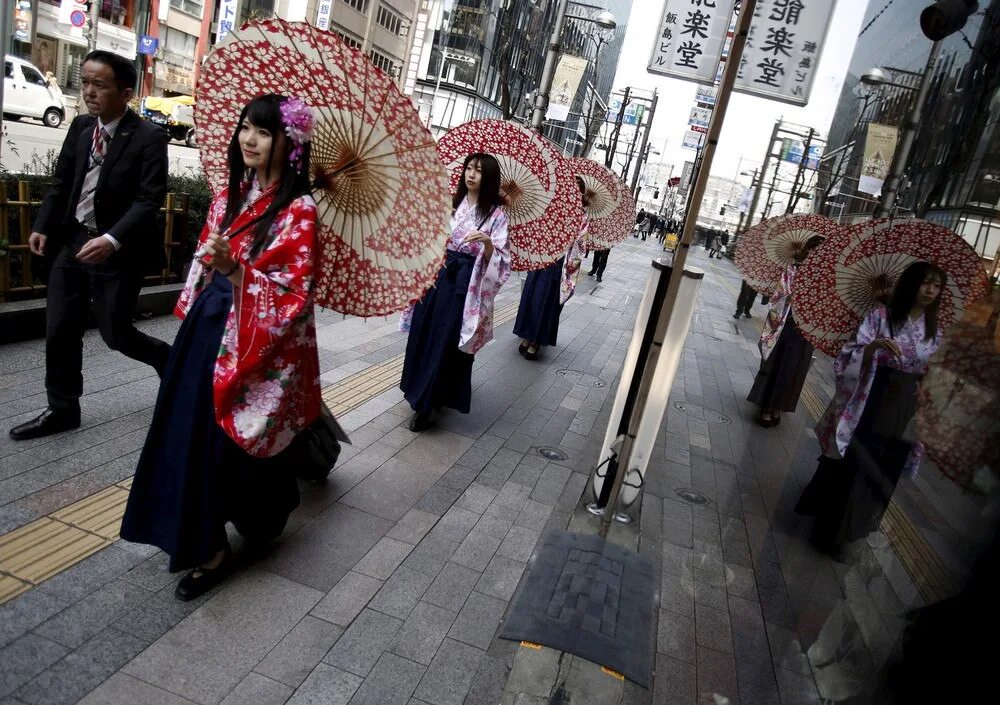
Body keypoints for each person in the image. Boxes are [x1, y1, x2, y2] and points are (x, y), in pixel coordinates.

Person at [120, 95, 320, 600]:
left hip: (253, 342)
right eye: (245, 128)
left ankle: (233, 530)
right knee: (187, 433)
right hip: (208, 329)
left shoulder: (300, 210)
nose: (248, 140)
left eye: (263, 132)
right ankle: (206, 540)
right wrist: (213, 263)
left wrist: (234, 269)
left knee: (221, 443)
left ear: (289, 143)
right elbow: (207, 264)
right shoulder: (229, 195)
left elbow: (294, 296)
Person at [10, 51, 170, 441]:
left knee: (116, 334)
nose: (88, 92)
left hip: (117, 250)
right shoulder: (82, 126)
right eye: (84, 82)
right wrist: (44, 225)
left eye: (99, 85)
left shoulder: (149, 137)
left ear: (125, 92)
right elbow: (63, 181)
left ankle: (168, 359)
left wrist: (112, 239)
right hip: (73, 242)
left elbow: (149, 200)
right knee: (60, 326)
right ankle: (62, 409)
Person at [795, 262, 945, 558]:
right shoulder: (880, 316)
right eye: (925, 282)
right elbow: (851, 352)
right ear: (910, 283)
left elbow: (933, 373)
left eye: (937, 285)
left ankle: (849, 528)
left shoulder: (934, 331)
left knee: (879, 469)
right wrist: (874, 347)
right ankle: (829, 530)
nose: (930, 290)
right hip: (870, 396)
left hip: (903, 405)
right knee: (854, 461)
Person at [400, 153, 510, 432]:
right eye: (468, 169)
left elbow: (501, 259)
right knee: (424, 333)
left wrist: (487, 243)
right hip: (437, 275)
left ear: (489, 178)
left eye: (478, 171)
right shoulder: (450, 203)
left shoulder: (496, 215)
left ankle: (428, 403)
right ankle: (419, 389)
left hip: (466, 283)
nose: (471, 174)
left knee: (446, 340)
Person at [747, 236, 825, 427]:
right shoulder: (792, 270)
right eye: (814, 251)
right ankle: (765, 405)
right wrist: (794, 298)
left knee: (794, 369)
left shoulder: (826, 278)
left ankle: (778, 405)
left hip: (806, 330)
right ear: (807, 251)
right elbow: (779, 296)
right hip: (786, 324)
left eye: (822, 252)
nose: (817, 256)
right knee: (776, 364)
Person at [515, 178, 589, 360]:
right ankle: (527, 335)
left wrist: (572, 237)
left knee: (546, 301)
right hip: (542, 258)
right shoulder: (554, 207)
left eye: (577, 191)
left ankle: (537, 341)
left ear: (581, 194)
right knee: (531, 297)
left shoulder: (583, 216)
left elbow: (581, 244)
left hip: (560, 263)